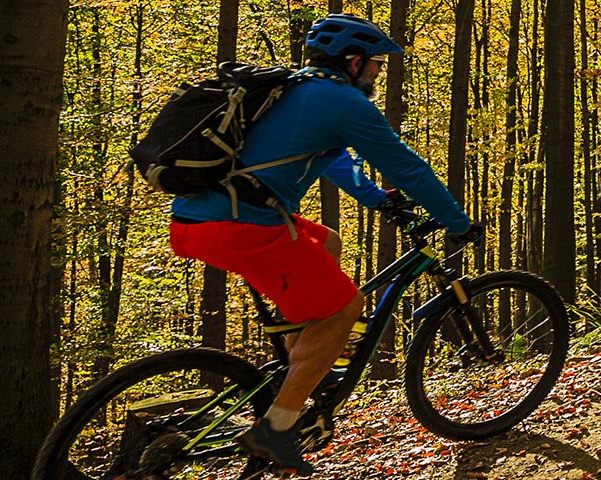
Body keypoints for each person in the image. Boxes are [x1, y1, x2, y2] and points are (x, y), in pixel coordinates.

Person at [166, 14, 474, 474]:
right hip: (241, 226)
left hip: (198, 219)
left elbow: (331, 161)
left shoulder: (294, 89)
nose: (375, 73)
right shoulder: (344, 102)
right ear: (352, 62)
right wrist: (455, 220)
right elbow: (408, 168)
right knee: (345, 309)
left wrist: (375, 199)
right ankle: (276, 430)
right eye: (373, 64)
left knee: (325, 240)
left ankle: (300, 364)